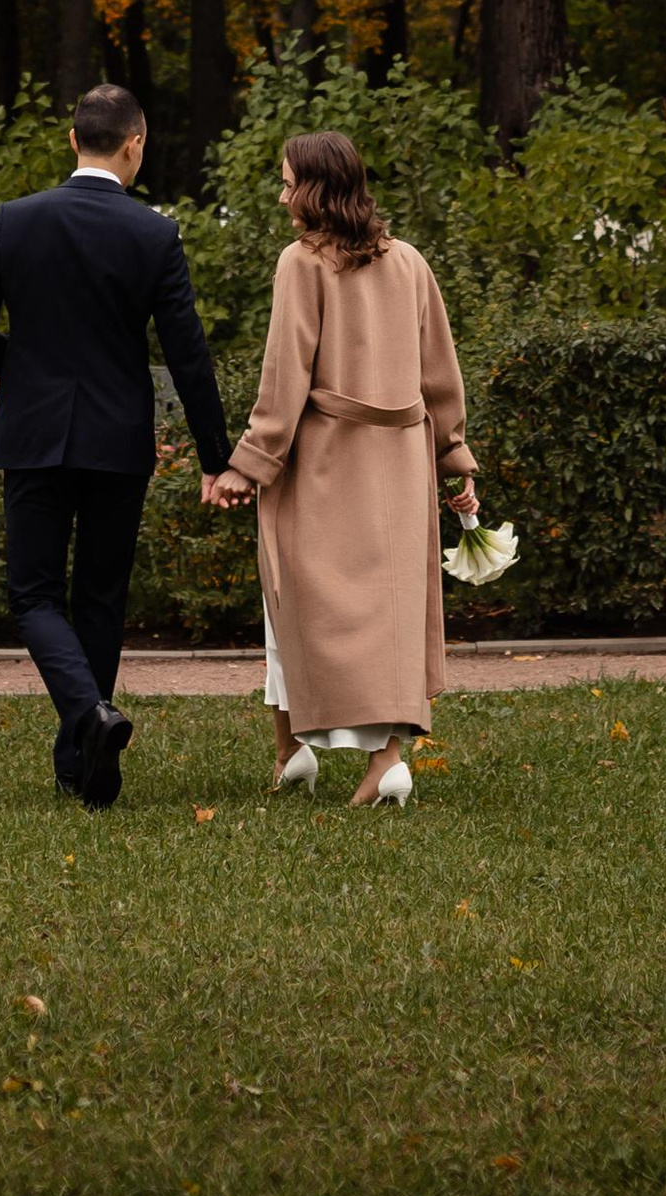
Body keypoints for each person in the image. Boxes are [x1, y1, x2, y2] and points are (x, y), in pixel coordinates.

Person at [0, 82, 235, 808]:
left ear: (74, 140)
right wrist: (215, 456)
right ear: (134, 144)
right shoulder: (154, 235)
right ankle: (85, 757)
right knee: (100, 599)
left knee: (34, 593)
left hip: (34, 434)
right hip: (117, 439)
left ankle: (87, 730)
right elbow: (188, 355)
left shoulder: (16, 220)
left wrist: (26, 369)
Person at [202, 129, 479, 807]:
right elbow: (441, 373)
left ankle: (303, 751)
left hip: (324, 464)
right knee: (390, 614)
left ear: (316, 190)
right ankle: (375, 759)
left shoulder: (301, 263)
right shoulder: (409, 260)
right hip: (401, 464)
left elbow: (285, 373)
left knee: (292, 598)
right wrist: (452, 457)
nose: (282, 196)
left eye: (287, 183)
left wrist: (250, 463)